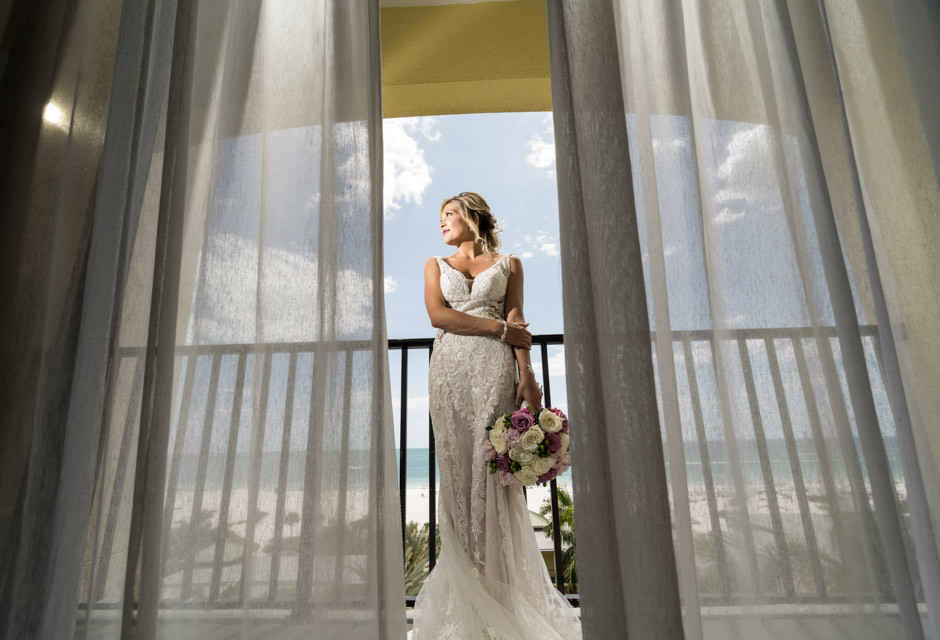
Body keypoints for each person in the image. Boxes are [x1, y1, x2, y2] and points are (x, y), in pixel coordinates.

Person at [409, 192, 581, 639]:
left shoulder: (510, 264)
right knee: (458, 475)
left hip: (494, 371)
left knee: (490, 472)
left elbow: (516, 318)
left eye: (449, 214)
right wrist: (498, 328)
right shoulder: (434, 264)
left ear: (473, 216)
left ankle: (501, 596)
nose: (442, 223)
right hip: (448, 374)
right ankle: (464, 598)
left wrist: (528, 375)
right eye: (440, 217)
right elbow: (437, 315)